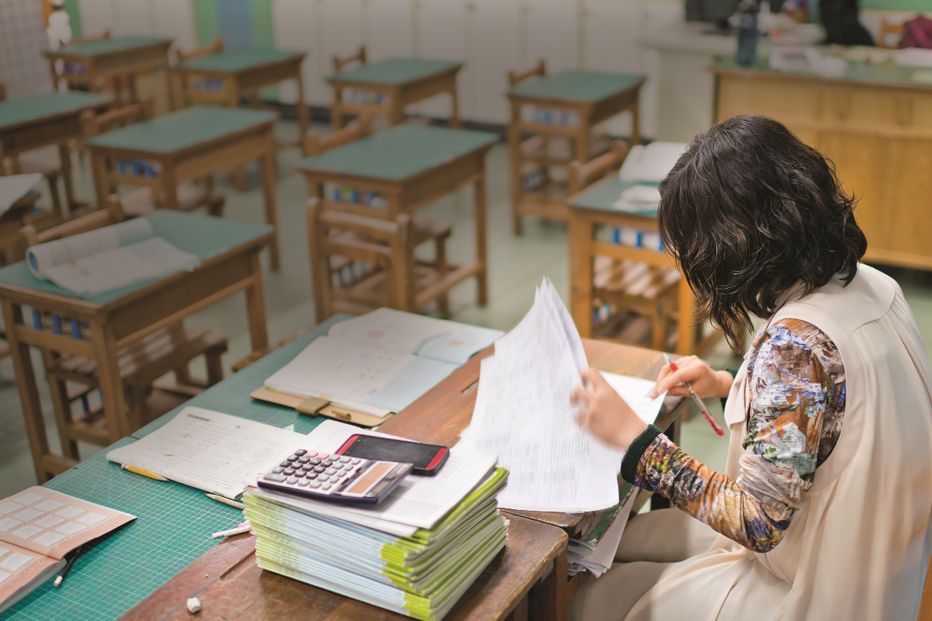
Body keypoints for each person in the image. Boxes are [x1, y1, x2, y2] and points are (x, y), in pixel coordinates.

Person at [569, 115, 932, 620]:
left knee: (596, 596)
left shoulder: (796, 348)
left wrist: (638, 445)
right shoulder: (875, 286)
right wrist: (727, 384)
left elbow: (757, 521)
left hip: (816, 592)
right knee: (627, 542)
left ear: (735, 245)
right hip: (872, 562)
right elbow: (833, 414)